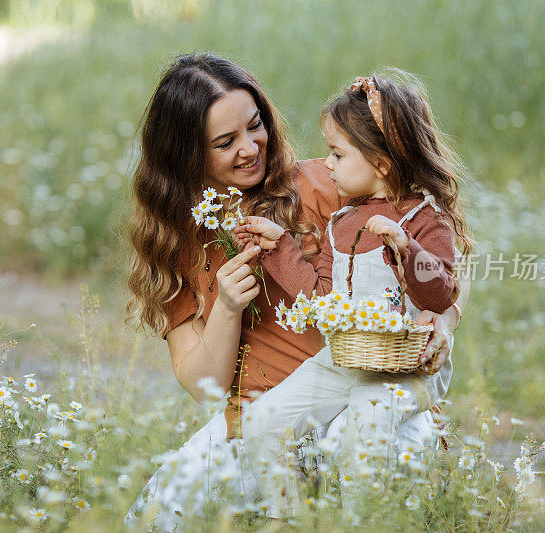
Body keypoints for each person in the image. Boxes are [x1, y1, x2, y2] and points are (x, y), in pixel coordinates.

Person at [125, 54, 468, 529]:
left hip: (363, 394)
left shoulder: (325, 181)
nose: (250, 148)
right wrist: (226, 308)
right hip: (260, 422)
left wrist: (444, 322)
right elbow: (203, 384)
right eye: (225, 142)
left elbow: (443, 253)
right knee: (154, 519)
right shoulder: (174, 243)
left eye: (255, 125)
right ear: (184, 156)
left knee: (364, 462)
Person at [235, 71, 471, 516]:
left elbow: (442, 294)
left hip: (407, 370)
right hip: (345, 359)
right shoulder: (341, 222)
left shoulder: (425, 219)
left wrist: (407, 248)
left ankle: (363, 522)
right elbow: (321, 294)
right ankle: (287, 517)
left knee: (365, 427)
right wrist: (278, 246)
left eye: (337, 153)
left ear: (381, 162)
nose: (327, 163)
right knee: (265, 421)